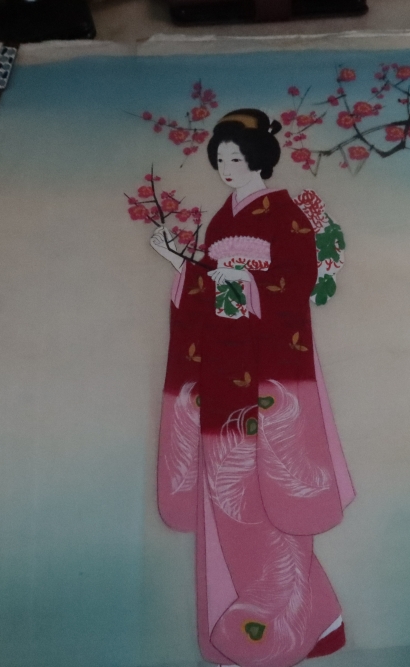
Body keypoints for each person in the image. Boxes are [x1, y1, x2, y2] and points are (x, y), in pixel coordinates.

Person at [150, 108, 355, 667]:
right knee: (227, 491)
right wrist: (181, 263)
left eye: (236, 158)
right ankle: (317, 615)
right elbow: (210, 289)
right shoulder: (221, 220)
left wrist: (246, 279)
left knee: (269, 493)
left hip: (266, 372)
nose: (226, 168)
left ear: (259, 158)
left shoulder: (285, 212)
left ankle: (285, 624)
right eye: (220, 159)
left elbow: (296, 281)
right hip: (221, 369)